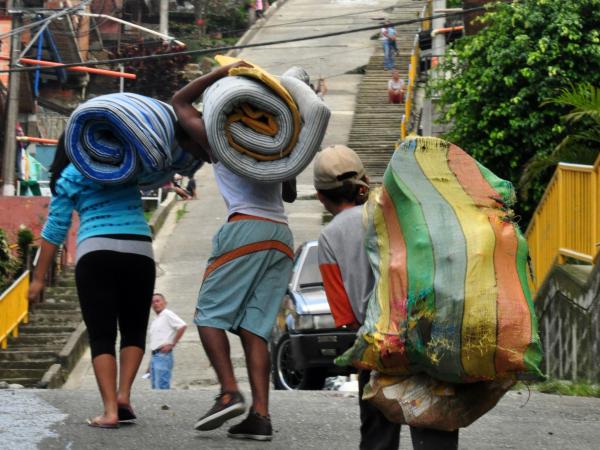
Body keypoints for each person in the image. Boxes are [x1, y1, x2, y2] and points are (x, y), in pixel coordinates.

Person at [172, 62, 296, 441]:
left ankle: (229, 391)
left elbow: (179, 103)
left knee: (208, 317)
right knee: (253, 328)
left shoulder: (221, 140)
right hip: (281, 235)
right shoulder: (277, 144)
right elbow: (288, 193)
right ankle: (260, 416)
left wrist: (221, 73)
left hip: (244, 228)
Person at [313, 145, 459, 450]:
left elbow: (344, 315)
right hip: (425, 334)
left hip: (376, 347)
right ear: (365, 181)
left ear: (321, 196)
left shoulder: (329, 238)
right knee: (434, 428)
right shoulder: (397, 210)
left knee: (378, 435)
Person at [28, 133, 155, 429]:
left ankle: (110, 411)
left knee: (102, 335)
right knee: (134, 329)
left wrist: (38, 279)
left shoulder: (69, 175)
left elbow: (54, 230)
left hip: (95, 251)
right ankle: (124, 396)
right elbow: (158, 169)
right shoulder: (126, 163)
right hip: (139, 248)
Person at [148, 293, 187, 389]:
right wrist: (150, 364)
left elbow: (182, 326)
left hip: (163, 355)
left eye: (158, 301)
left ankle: (164, 404)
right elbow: (156, 341)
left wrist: (172, 344)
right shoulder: (155, 320)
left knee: (161, 387)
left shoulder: (167, 314)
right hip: (155, 356)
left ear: (165, 303)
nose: (155, 304)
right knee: (155, 387)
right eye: (153, 302)